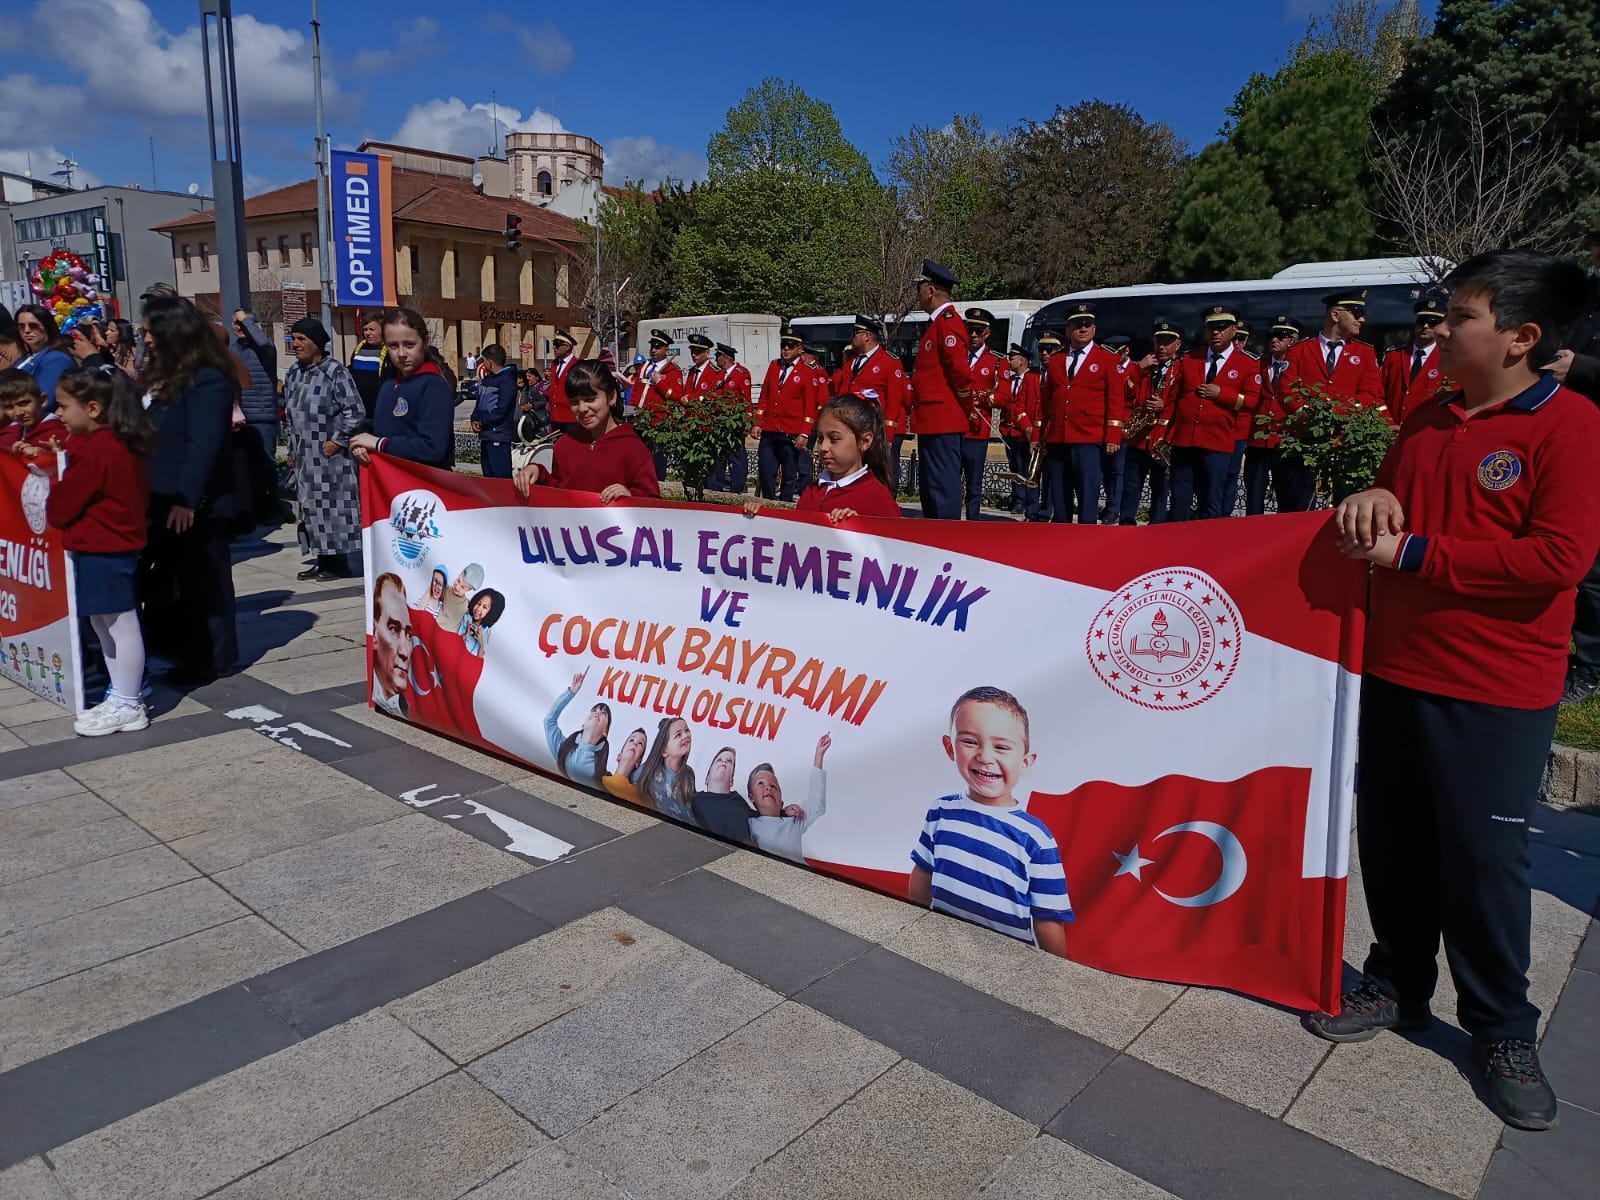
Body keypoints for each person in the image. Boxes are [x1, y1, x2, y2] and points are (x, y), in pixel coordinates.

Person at [1307, 249, 1600, 1133]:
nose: (1439, 333)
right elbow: (1393, 504)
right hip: (1397, 669)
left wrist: (1417, 555)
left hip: (1496, 685)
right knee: (1393, 841)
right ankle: (1396, 985)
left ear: (1520, 336)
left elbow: (1559, 559)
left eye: (1459, 318)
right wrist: (1370, 496)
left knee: (1482, 860)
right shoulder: (1426, 416)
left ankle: (1504, 1030)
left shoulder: (1570, 425)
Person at [908, 686, 1071, 956]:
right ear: (950, 748)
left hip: (1007, 961)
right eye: (970, 742)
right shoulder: (942, 810)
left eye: (1002, 747)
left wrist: (1056, 978)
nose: (985, 757)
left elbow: (1048, 917)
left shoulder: (1036, 837)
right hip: (940, 947)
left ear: (1026, 762)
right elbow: (923, 873)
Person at [45, 366, 155, 735]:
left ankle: (128, 700)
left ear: (93, 408)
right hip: (104, 544)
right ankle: (121, 694)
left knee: (120, 624)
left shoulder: (99, 450)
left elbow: (60, 508)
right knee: (103, 622)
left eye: (63, 406)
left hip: (106, 546)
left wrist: (59, 476)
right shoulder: (106, 443)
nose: (57, 413)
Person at [139, 293, 239, 686]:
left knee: (204, 581)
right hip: (160, 495)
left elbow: (204, 444)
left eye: (151, 332)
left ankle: (213, 658)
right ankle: (179, 650)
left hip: (196, 502)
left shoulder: (208, 376)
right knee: (174, 580)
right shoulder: (163, 373)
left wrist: (188, 500)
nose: (145, 339)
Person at [1161, 306, 1261, 521]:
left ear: (1234, 330)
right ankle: (1175, 544)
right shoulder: (1190, 359)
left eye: (1222, 327)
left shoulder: (1247, 363)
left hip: (1217, 441)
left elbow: (1252, 401)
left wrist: (1222, 394)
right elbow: (1174, 399)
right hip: (1185, 440)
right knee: (1180, 498)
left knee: (1211, 500)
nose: (1216, 332)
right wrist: (1164, 433)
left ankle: (1208, 548)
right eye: (1211, 328)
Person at [282, 316, 363, 580]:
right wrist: (291, 452)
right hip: (305, 457)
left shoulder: (335, 372)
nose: (295, 344)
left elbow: (355, 411)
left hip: (330, 458)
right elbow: (290, 416)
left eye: (301, 339)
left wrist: (336, 440)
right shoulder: (293, 372)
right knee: (310, 509)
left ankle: (337, 563)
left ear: (317, 343)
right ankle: (321, 558)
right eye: (293, 339)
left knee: (332, 509)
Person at [512, 360, 659, 502]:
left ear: (612, 397)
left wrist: (630, 496)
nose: (582, 409)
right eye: (574, 402)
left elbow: (653, 504)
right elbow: (559, 494)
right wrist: (539, 474)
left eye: (590, 399)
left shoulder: (634, 449)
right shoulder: (564, 445)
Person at [749, 394, 901, 523]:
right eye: (821, 438)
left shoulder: (878, 498)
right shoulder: (812, 491)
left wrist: (859, 526)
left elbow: (896, 548)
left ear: (865, 441)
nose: (823, 447)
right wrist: (763, 519)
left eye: (834, 439)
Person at [1040, 303, 1125, 524]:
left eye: (1087, 324)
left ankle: (1086, 536)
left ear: (1094, 329)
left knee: (1088, 493)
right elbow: (1048, 400)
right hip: (1059, 437)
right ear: (1068, 330)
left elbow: (1115, 399)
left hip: (1089, 437)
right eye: (1077, 325)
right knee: (1059, 494)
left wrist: (1113, 435)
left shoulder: (1106, 359)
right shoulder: (1057, 360)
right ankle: (1061, 536)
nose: (1083, 329)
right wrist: (1039, 435)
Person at [349, 308, 455, 470]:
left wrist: (379, 444)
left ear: (425, 342)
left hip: (422, 486)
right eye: (393, 346)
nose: (401, 353)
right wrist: (361, 439)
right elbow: (380, 426)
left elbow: (433, 448)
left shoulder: (433, 386)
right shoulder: (389, 384)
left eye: (409, 345)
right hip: (390, 482)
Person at [909, 260, 975, 519]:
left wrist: (965, 405)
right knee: (930, 489)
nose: (919, 295)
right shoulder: (938, 324)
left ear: (930, 290)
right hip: (932, 419)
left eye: (919, 289)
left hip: (944, 419)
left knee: (942, 488)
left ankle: (947, 539)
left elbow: (960, 373)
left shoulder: (948, 323)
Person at [1279, 288, 1387, 426]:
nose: (1362, 319)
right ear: (1336, 315)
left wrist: (1339, 414)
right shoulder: (1299, 350)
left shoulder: (1365, 352)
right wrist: (1310, 415)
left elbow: (1370, 393)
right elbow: (1286, 391)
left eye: (1363, 314)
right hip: (1306, 434)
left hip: (1347, 435)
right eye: (1357, 313)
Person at [1119, 320, 1182, 525]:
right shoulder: (1146, 367)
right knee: (1131, 483)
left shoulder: (1181, 369)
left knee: (1160, 486)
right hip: (1139, 437)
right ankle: (1126, 521)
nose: (1162, 347)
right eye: (1158, 342)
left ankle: (1157, 524)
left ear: (1177, 345)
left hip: (1162, 437)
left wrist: (1164, 405)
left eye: (1167, 342)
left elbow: (1185, 400)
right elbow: (1125, 392)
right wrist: (1138, 368)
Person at [839, 317, 908, 493]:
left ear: (867, 336)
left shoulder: (889, 362)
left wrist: (889, 434)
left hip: (878, 428)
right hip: (855, 426)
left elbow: (895, 400)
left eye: (855, 334)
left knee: (883, 473)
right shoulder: (851, 362)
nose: (851, 338)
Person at [1244, 317, 1303, 516]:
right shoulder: (1258, 364)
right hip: (1258, 440)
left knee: (1286, 495)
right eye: (1271, 336)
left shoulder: (1301, 366)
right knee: (1253, 495)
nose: (1274, 340)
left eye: (1281, 337)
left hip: (1286, 439)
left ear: (1294, 340)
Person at [752, 330, 816, 502]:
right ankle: (767, 502)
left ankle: (785, 505)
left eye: (791, 346)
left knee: (789, 473)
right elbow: (764, 396)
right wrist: (757, 422)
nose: (786, 349)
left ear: (800, 349)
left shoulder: (807, 371)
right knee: (766, 470)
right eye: (783, 346)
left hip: (791, 431)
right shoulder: (774, 366)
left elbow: (810, 406)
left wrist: (804, 433)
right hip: (771, 429)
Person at [747, 734, 831, 861]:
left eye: (773, 786)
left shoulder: (794, 821)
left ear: (781, 802)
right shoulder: (750, 823)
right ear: (751, 797)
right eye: (760, 784)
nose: (768, 788)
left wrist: (818, 756)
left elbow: (816, 803)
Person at [231, 310, 279, 523]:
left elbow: (263, 340)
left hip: (263, 417)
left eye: (243, 323)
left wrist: (246, 319)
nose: (239, 327)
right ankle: (248, 512)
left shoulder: (265, 349)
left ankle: (270, 509)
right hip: (240, 419)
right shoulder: (232, 351)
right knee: (243, 470)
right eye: (236, 324)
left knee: (265, 465)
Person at [958, 308, 1005, 520]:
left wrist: (982, 398)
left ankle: (973, 520)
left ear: (987, 333)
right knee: (951, 479)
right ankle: (948, 521)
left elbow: (1004, 397)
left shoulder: (996, 361)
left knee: (974, 481)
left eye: (978, 330)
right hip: (954, 426)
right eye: (970, 330)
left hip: (977, 431)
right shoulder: (957, 356)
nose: (973, 335)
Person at [1381, 293, 1452, 426]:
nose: (1425, 326)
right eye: (1421, 322)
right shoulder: (1394, 356)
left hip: (1424, 430)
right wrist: (1387, 421)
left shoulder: (1448, 359)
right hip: (1390, 430)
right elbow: (1378, 393)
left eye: (1432, 323)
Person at [544, 667, 611, 786]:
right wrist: (571, 693)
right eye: (594, 710)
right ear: (583, 725)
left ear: (605, 732)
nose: (597, 712)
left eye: (603, 713)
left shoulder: (604, 774)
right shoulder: (562, 750)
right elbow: (549, 721)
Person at [634, 331, 685, 480]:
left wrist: (660, 382)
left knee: (657, 460)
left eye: (658, 347)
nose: (653, 350)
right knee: (639, 457)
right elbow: (637, 389)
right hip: (641, 419)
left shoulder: (673, 371)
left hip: (659, 421)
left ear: (666, 349)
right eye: (652, 347)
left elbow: (676, 396)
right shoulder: (645, 367)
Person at [705, 341, 754, 494]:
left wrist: (747, 422)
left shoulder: (741, 373)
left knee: (737, 456)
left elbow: (746, 400)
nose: (716, 360)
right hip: (719, 423)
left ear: (725, 357)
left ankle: (737, 487)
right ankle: (717, 487)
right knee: (719, 457)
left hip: (734, 423)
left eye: (717, 357)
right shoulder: (718, 374)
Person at [999, 344, 1041, 519]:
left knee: (1026, 468)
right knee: (1015, 467)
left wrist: (1029, 426)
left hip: (1025, 431)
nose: (1009, 361)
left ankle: (1025, 500)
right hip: (1009, 430)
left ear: (1022, 360)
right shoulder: (1009, 379)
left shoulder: (1033, 378)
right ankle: (1017, 497)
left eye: (1012, 358)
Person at [691, 747, 756, 848]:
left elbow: (762, 821)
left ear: (732, 782)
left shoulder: (738, 801)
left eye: (729, 761)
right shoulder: (695, 800)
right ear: (706, 778)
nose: (724, 762)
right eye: (719, 760)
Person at [469, 344, 518, 480]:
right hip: (486, 436)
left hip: (499, 436)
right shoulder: (487, 379)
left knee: (500, 477)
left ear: (490, 361)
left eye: (483, 360)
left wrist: (484, 423)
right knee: (488, 477)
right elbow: (479, 403)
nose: (482, 364)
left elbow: (502, 409)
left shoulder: (507, 381)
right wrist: (474, 418)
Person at [634, 716, 696, 822]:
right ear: (664, 751)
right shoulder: (648, 771)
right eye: (678, 735)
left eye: (687, 730)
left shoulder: (689, 774)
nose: (686, 735)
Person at [14, 304, 75, 409]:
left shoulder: (56, 359)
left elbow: (46, 402)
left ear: (47, 327)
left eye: (33, 326)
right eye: (21, 326)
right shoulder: (26, 357)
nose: (27, 330)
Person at [370, 572, 413, 716]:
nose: (404, 652)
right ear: (374, 632)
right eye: (394, 629)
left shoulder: (409, 710)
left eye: (408, 635)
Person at [0, 369, 65, 455]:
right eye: (9, 407)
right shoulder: (17, 431)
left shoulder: (58, 433)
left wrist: (44, 455)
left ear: (42, 400)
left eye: (23, 403)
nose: (18, 412)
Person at [348, 314, 391, 422]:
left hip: (380, 409)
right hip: (359, 409)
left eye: (372, 329)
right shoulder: (359, 348)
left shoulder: (390, 351)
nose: (368, 333)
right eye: (365, 329)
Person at [602, 728, 650, 806]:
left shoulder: (638, 794)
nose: (635, 744)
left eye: (640, 743)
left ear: (638, 762)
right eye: (631, 740)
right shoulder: (600, 777)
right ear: (619, 756)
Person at [546, 330, 579, 433]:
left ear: (567, 347)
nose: (554, 348)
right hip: (556, 415)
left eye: (557, 344)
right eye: (553, 344)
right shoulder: (554, 364)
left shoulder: (577, 365)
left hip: (571, 416)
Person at [436, 563, 484, 633]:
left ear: (468, 589)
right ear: (458, 574)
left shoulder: (467, 606)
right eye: (458, 581)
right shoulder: (446, 590)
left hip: (449, 637)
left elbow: (475, 621)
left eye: (462, 587)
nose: (457, 587)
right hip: (435, 628)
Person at [457, 587, 504, 657]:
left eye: (484, 607)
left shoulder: (486, 631)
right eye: (478, 603)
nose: (478, 609)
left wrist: (481, 642)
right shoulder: (465, 618)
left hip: (468, 664)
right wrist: (466, 634)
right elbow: (453, 643)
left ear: (491, 612)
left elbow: (479, 658)